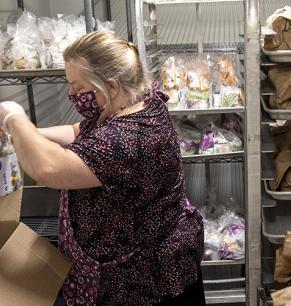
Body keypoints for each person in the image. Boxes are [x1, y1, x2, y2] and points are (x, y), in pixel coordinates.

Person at [0, 31, 205, 306]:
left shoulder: (129, 138)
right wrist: (30, 135)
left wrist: (14, 117)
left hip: (142, 286)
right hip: (134, 271)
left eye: (78, 87)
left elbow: (48, 168)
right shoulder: (137, 104)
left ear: (110, 86)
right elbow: (77, 131)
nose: (71, 94)